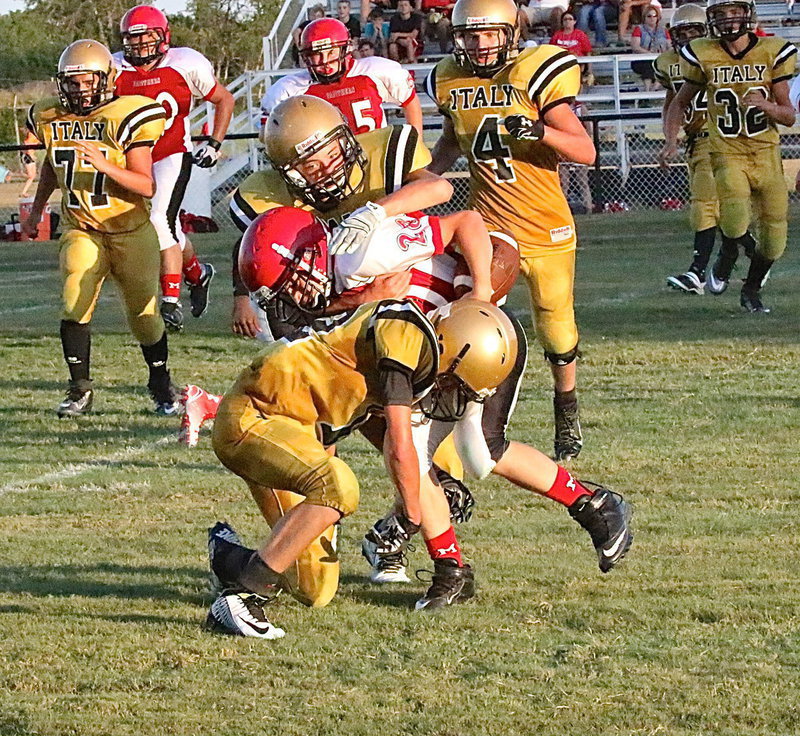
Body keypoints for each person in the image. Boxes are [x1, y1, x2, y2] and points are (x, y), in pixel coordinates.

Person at [206, 221, 512, 636]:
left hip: (298, 434)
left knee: (315, 588)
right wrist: (413, 510)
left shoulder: (410, 340)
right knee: (338, 487)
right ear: (453, 352)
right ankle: (243, 599)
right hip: (257, 418)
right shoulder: (404, 338)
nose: (455, 396)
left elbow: (364, 423)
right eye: (462, 385)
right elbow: (400, 443)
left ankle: (226, 557)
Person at [426, 0, 595, 462]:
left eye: (488, 34)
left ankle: (566, 405)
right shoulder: (450, 79)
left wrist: (540, 131)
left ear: (511, 33)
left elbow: (585, 150)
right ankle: (465, 419)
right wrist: (417, 179)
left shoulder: (533, 73)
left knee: (556, 328)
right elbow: (450, 142)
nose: (478, 44)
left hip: (546, 227)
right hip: (492, 227)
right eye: (470, 35)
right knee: (469, 314)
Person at [22, 39, 180, 416]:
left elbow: (147, 185)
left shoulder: (127, 114)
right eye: (72, 83)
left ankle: (160, 383)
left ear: (106, 79)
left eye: (87, 81)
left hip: (129, 229)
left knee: (144, 316)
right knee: (75, 297)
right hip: (82, 226)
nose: (80, 90)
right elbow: (53, 166)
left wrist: (105, 164)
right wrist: (36, 211)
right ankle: (80, 389)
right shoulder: (50, 116)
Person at [227, 95, 451, 341]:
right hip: (332, 303)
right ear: (289, 173)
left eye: (333, 154)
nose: (328, 169)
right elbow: (256, 253)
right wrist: (362, 299)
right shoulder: (271, 195)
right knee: (276, 324)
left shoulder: (381, 152)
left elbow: (440, 188)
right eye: (311, 167)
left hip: (407, 272)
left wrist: (377, 211)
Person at [661, 0, 797, 313]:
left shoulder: (771, 50)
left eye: (734, 12)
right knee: (734, 217)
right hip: (726, 149)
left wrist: (766, 107)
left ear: (748, 13)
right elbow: (679, 102)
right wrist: (671, 140)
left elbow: (788, 116)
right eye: (720, 14)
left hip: (766, 151)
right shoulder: (703, 52)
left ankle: (750, 289)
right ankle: (726, 256)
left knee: (775, 239)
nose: (728, 20)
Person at [114, 5, 234, 333]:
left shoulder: (185, 63)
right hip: (133, 158)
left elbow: (224, 99)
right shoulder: (114, 68)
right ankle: (197, 274)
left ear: (163, 37)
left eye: (146, 37)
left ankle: (170, 302)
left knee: (158, 220)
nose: (139, 46)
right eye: (132, 39)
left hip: (171, 153)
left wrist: (214, 141)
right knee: (166, 225)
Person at [656, 3, 736, 295]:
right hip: (694, 140)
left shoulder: (719, 56)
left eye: (694, 31)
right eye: (683, 32)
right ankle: (755, 257)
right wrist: (670, 140)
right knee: (726, 210)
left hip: (718, 138)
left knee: (704, 206)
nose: (688, 37)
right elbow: (672, 103)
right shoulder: (668, 63)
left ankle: (697, 273)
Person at [260, 18, 423, 135]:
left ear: (345, 50)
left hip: (375, 162)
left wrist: (417, 148)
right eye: (317, 54)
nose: (324, 61)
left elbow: (410, 101)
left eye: (331, 52)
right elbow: (267, 136)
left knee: (436, 184)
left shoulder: (375, 71)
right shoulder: (289, 91)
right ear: (306, 56)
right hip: (324, 172)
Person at [630, 5, 670, 91]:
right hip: (641, 59)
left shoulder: (664, 30)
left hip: (660, 58)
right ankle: (647, 90)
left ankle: (655, 87)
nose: (652, 18)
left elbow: (670, 46)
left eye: (654, 16)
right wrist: (649, 53)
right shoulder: (639, 29)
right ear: (644, 17)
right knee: (648, 64)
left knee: (664, 63)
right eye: (649, 16)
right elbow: (635, 47)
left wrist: (663, 53)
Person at [19, 128, 38, 198]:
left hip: (31, 154)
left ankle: (24, 192)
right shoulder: (31, 135)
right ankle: (18, 175)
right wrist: (31, 155)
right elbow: (28, 147)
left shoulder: (36, 135)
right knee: (30, 176)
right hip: (27, 155)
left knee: (33, 176)